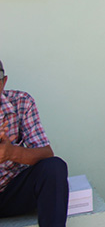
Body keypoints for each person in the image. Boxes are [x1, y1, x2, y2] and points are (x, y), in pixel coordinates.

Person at [0, 60, 69, 227]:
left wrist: (11, 153)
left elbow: (46, 153)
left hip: (11, 192)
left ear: (3, 82)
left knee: (54, 167)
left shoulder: (21, 102)